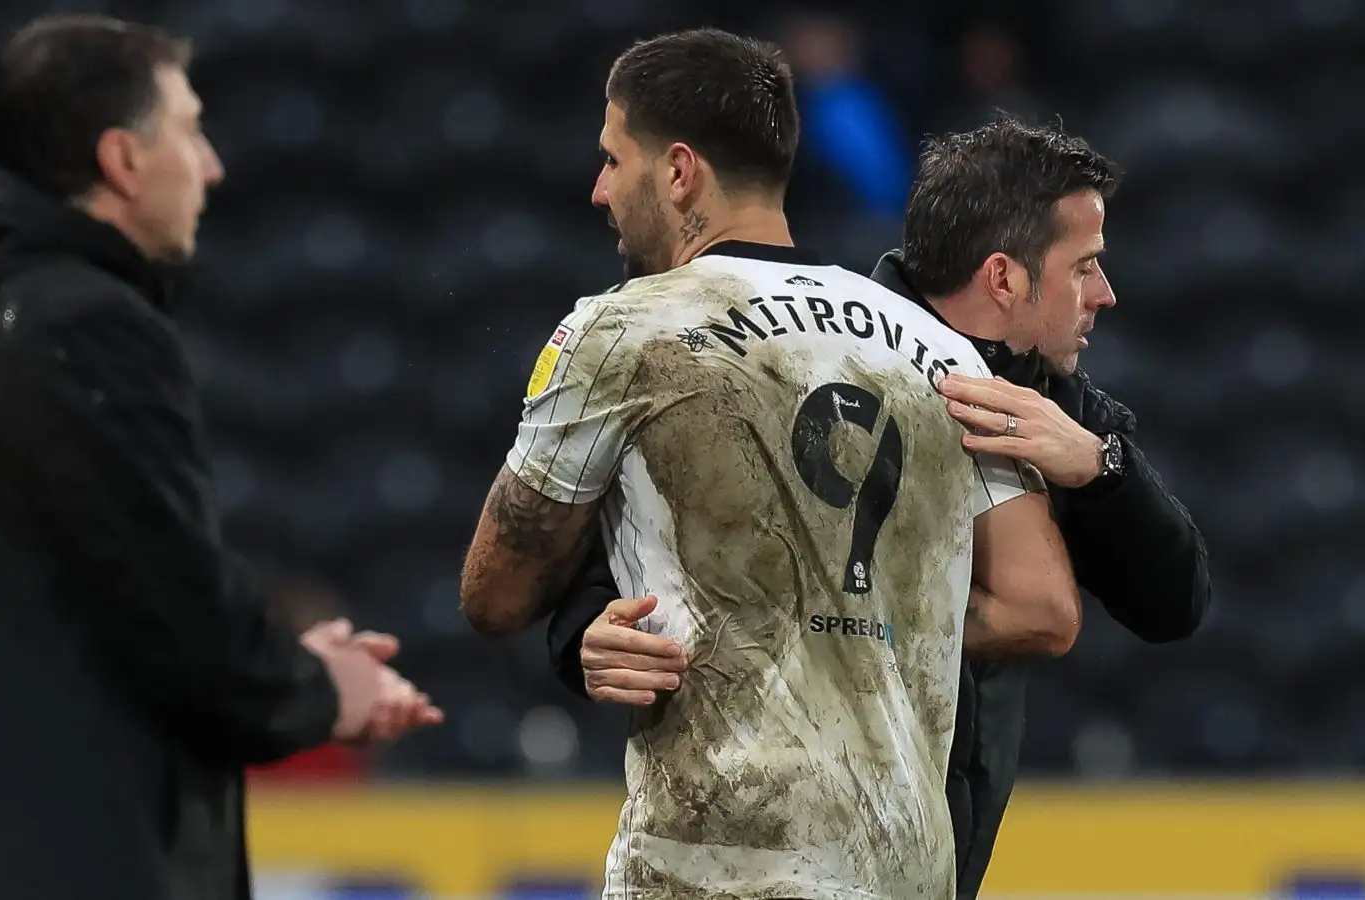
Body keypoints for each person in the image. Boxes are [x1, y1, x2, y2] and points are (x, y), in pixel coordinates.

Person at [460, 28, 1079, 900]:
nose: (599, 190)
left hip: (713, 865)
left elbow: (494, 593)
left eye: (612, 159)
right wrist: (875, 627)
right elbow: (1041, 608)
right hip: (900, 867)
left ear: (679, 172)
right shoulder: (942, 354)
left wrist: (718, 624)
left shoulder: (623, 331)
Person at [549, 118, 1211, 900]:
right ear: (1003, 278)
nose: (1105, 293)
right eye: (1086, 267)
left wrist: (1100, 469)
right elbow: (614, 532)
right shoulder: (801, 352)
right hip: (758, 860)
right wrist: (583, 630)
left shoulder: (1052, 405)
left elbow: (1176, 604)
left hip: (927, 866)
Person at [0, 15, 441, 900]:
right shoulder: (80, 323)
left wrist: (277, 662)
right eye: (189, 128)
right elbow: (165, 603)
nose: (213, 165)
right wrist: (318, 686)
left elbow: (73, 607)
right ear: (122, 159)